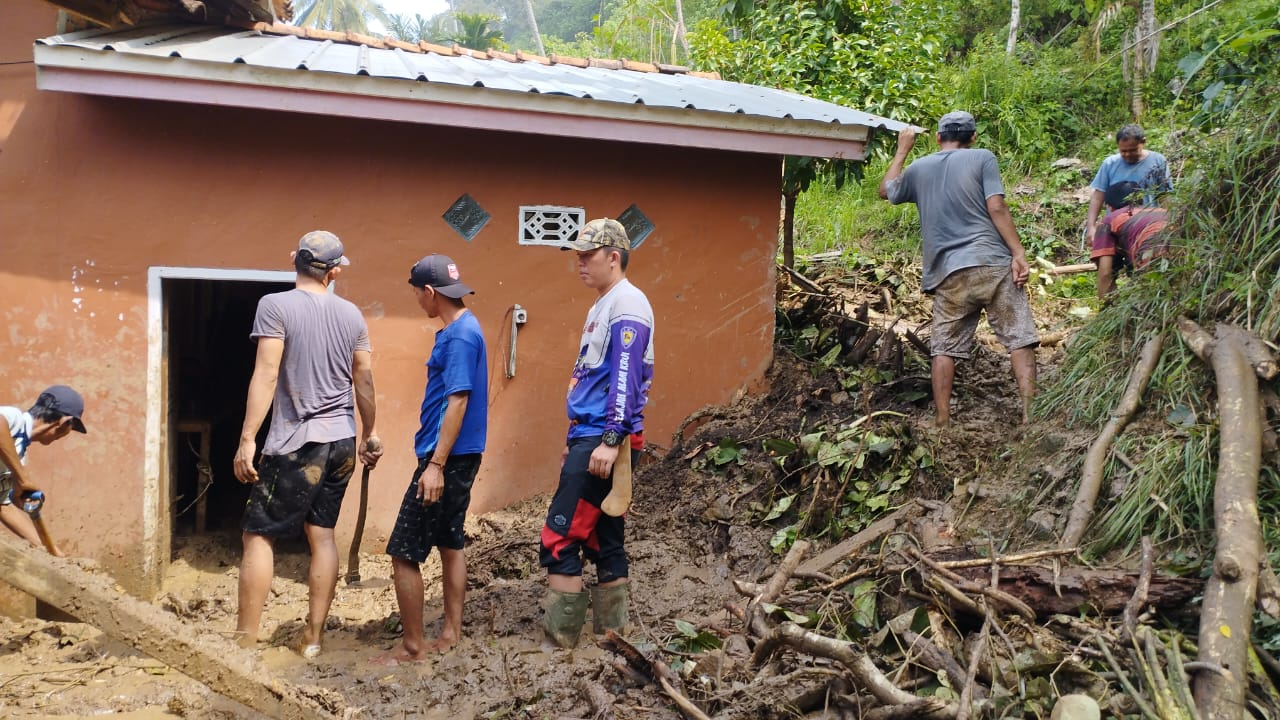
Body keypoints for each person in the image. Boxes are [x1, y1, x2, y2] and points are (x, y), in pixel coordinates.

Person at [232, 230, 382, 656]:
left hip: (297, 441)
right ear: (334, 271)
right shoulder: (352, 314)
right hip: (341, 443)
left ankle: (243, 642)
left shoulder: (274, 306)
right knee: (323, 536)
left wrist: (247, 438)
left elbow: (266, 373)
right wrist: (369, 433)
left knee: (258, 535)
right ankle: (313, 639)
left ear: (293, 259)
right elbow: (364, 380)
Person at [879, 111, 1039, 427]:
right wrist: (1018, 253)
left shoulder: (919, 167)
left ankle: (942, 422)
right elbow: (996, 206)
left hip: (948, 273)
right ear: (973, 137)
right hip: (991, 264)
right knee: (1019, 338)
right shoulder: (982, 158)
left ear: (938, 137)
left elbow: (886, 190)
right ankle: (1030, 416)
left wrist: (902, 151)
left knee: (944, 348)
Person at [540, 218, 655, 648]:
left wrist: (609, 440)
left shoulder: (627, 304)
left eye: (588, 255)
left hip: (605, 437)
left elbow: (625, 376)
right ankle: (612, 638)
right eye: (577, 255)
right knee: (605, 537)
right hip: (597, 434)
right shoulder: (604, 304)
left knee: (560, 536)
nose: (580, 263)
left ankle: (560, 644)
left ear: (614, 257)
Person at [375, 255, 488, 664]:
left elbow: (458, 399)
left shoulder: (459, 336)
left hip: (447, 458)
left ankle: (412, 648)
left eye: (416, 293)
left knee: (404, 551)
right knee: (449, 541)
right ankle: (451, 633)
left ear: (429, 292)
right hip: (458, 455)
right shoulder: (463, 328)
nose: (416, 301)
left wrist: (436, 465)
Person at [0, 385, 86, 555]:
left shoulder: (18, 455)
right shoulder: (14, 418)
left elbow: (2, 505)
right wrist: (23, 478)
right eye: (72, 428)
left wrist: (49, 551)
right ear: (64, 422)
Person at [1085, 124, 1172, 237]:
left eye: (1132, 150)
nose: (1127, 154)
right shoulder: (1110, 164)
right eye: (1123, 151)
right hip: (1116, 227)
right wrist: (1091, 226)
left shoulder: (1157, 161)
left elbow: (1165, 195)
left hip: (1146, 226)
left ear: (1143, 142)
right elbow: (1098, 196)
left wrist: (1170, 221)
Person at [1091, 181, 1172, 298]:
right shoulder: (1163, 211)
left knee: (1152, 298)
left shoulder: (1110, 220)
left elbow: (1105, 273)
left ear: (1109, 206)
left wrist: (1105, 308)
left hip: (1150, 255)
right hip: (1185, 252)